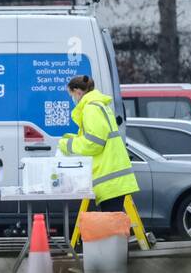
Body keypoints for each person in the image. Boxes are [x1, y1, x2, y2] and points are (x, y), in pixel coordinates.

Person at [58, 74, 139, 212]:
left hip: (109, 178)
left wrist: (67, 145)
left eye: (71, 95)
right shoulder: (99, 105)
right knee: (113, 223)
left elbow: (94, 143)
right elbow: (99, 136)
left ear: (78, 92)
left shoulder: (91, 109)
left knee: (111, 226)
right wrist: (74, 138)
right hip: (114, 174)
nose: (73, 99)